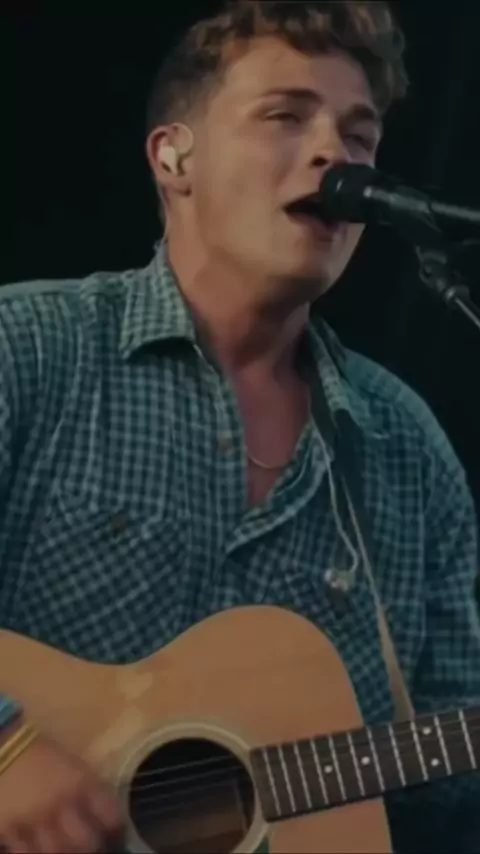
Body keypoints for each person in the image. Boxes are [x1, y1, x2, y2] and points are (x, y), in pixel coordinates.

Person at [0, 0, 479, 851]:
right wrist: (9, 747)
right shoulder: (27, 350)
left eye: (360, 136)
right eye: (286, 117)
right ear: (173, 156)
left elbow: (444, 788)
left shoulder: (407, 449)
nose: (335, 155)